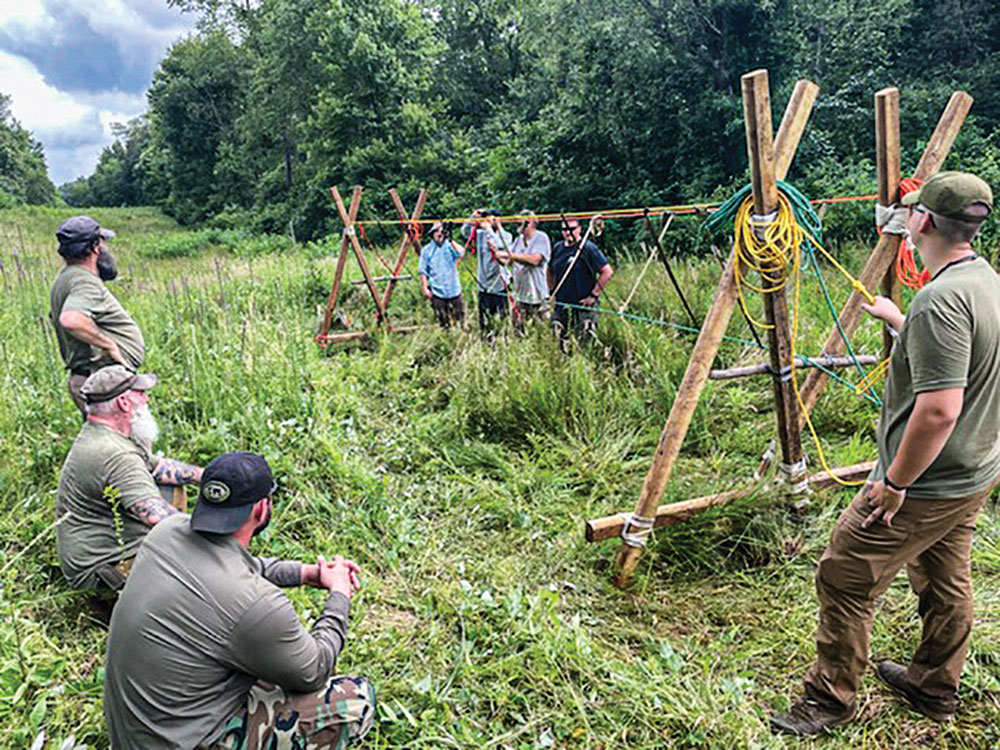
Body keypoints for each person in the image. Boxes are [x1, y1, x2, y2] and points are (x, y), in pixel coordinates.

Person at [771, 172, 1000, 735]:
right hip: (974, 470)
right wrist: (901, 322)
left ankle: (829, 701)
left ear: (922, 221)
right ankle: (933, 684)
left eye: (914, 210)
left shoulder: (940, 300)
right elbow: (966, 356)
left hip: (923, 483)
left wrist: (894, 483)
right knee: (946, 577)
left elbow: (940, 410)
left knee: (845, 576)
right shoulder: (984, 281)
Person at [104, 451, 375, 750]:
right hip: (185, 741)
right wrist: (339, 595)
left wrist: (306, 573)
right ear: (261, 508)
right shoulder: (257, 604)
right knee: (356, 698)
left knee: (270, 660)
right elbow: (315, 669)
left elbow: (239, 563)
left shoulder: (165, 533)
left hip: (133, 732)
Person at [56, 365, 203, 591]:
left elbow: (160, 467)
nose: (147, 399)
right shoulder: (115, 453)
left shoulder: (104, 435)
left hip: (95, 554)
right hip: (103, 572)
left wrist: (210, 476)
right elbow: (157, 517)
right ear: (123, 403)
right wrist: (217, 536)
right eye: (141, 393)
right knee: (198, 569)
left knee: (174, 488)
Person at [49, 215, 145, 416]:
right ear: (94, 247)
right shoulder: (84, 282)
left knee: (105, 441)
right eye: (102, 243)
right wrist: (109, 345)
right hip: (106, 386)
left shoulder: (66, 277)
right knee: (124, 445)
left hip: (91, 380)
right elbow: (71, 320)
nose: (105, 248)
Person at [547, 218, 613, 340]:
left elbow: (607, 271)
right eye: (565, 229)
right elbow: (549, 269)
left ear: (580, 229)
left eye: (572, 229)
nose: (568, 233)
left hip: (582, 304)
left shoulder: (588, 248)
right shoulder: (558, 248)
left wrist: (593, 295)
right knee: (558, 338)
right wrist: (552, 291)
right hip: (562, 303)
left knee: (584, 340)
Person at [496, 210, 551, 331]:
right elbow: (507, 261)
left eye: (519, 223)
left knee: (541, 331)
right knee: (518, 330)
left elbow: (534, 260)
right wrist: (496, 254)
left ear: (529, 223)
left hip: (538, 295)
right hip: (520, 296)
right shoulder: (518, 240)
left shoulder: (541, 238)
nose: (517, 226)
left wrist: (508, 254)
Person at [462, 208, 513, 335]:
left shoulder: (507, 235)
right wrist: (473, 216)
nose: (488, 221)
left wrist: (490, 229)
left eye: (491, 218)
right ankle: (486, 343)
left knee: (502, 320)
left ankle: (503, 343)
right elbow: (465, 232)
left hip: (499, 286)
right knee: (485, 323)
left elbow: (501, 246)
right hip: (484, 286)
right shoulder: (481, 235)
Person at [418, 222, 466, 329]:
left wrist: (451, 239)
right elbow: (422, 271)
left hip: (453, 289)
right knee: (442, 318)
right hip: (437, 290)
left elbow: (461, 252)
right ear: (432, 234)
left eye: (441, 231)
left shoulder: (450, 246)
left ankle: (460, 334)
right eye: (437, 231)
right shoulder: (426, 250)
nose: (439, 234)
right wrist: (425, 288)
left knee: (459, 317)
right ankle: (446, 334)